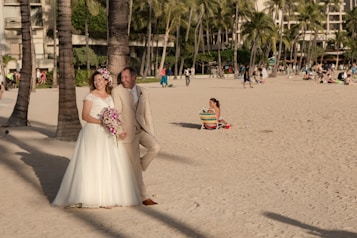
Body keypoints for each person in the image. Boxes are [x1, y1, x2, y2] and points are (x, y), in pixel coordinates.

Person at [52, 68, 141, 208]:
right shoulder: (90, 96)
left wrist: (118, 130)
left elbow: (114, 116)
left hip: (108, 134)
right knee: (94, 164)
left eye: (100, 79)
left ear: (106, 81)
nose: (97, 82)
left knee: (108, 164)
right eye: (95, 80)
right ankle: (93, 197)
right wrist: (103, 122)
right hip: (93, 132)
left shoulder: (110, 96)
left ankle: (107, 198)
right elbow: (85, 116)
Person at [112, 66, 160, 206]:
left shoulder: (143, 92)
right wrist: (119, 130)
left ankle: (140, 164)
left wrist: (151, 133)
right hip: (127, 133)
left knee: (156, 147)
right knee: (137, 172)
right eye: (122, 77)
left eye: (126, 77)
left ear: (134, 77)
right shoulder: (117, 91)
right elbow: (116, 112)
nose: (123, 80)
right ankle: (144, 197)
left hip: (141, 129)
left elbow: (148, 114)